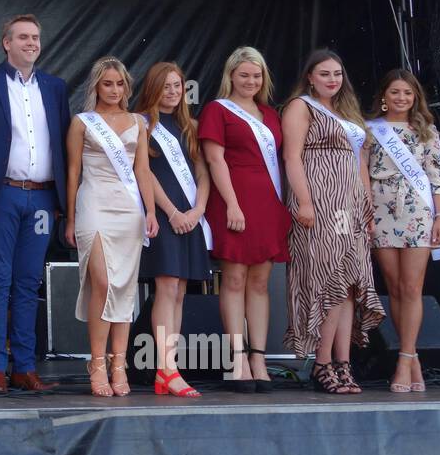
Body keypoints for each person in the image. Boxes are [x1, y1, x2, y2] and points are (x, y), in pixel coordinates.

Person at [0, 15, 71, 394]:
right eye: (23, 37)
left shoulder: (55, 88)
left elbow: (64, 149)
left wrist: (64, 203)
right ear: (6, 43)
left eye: (36, 37)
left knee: (27, 282)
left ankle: (24, 366)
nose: (31, 43)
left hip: (41, 196)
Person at [282, 49, 383, 394]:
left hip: (350, 206)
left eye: (337, 73)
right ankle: (322, 363)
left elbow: (359, 165)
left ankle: (343, 362)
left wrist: (366, 209)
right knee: (330, 283)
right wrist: (305, 202)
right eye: (324, 73)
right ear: (310, 76)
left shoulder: (346, 112)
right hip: (322, 204)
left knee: (350, 286)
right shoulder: (301, 106)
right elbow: (292, 156)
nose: (332, 79)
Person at [198, 46, 291, 393]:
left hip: (267, 202)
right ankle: (237, 359)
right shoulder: (217, 110)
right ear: (231, 76)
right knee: (234, 279)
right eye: (244, 75)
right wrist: (232, 205)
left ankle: (258, 358)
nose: (251, 81)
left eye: (257, 75)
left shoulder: (270, 114)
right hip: (232, 201)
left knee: (261, 283)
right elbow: (215, 160)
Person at [65, 57, 158, 397]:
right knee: (102, 282)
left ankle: (119, 364)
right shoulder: (82, 123)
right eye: (107, 83)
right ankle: (97, 362)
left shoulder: (138, 122)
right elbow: (73, 172)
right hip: (94, 204)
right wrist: (71, 218)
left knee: (124, 288)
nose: (114, 90)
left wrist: (150, 211)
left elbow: (143, 170)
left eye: (120, 84)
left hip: (129, 209)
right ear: (96, 87)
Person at [364, 70, 440, 393]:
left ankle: (406, 358)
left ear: (416, 98)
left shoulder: (426, 132)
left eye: (408, 94)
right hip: (382, 211)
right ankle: (408, 356)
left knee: (412, 287)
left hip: (417, 211)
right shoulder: (370, 131)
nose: (401, 98)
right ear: (384, 96)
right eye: (395, 92)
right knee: (395, 287)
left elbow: (436, 177)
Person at [134, 61, 211, 397]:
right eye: (165, 86)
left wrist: (197, 211)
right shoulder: (143, 125)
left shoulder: (190, 126)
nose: (173, 92)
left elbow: (204, 175)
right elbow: (145, 173)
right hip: (164, 217)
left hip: (190, 218)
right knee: (166, 288)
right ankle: (166, 368)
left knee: (180, 290)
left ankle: (169, 368)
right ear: (152, 87)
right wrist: (172, 211)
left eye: (177, 85)